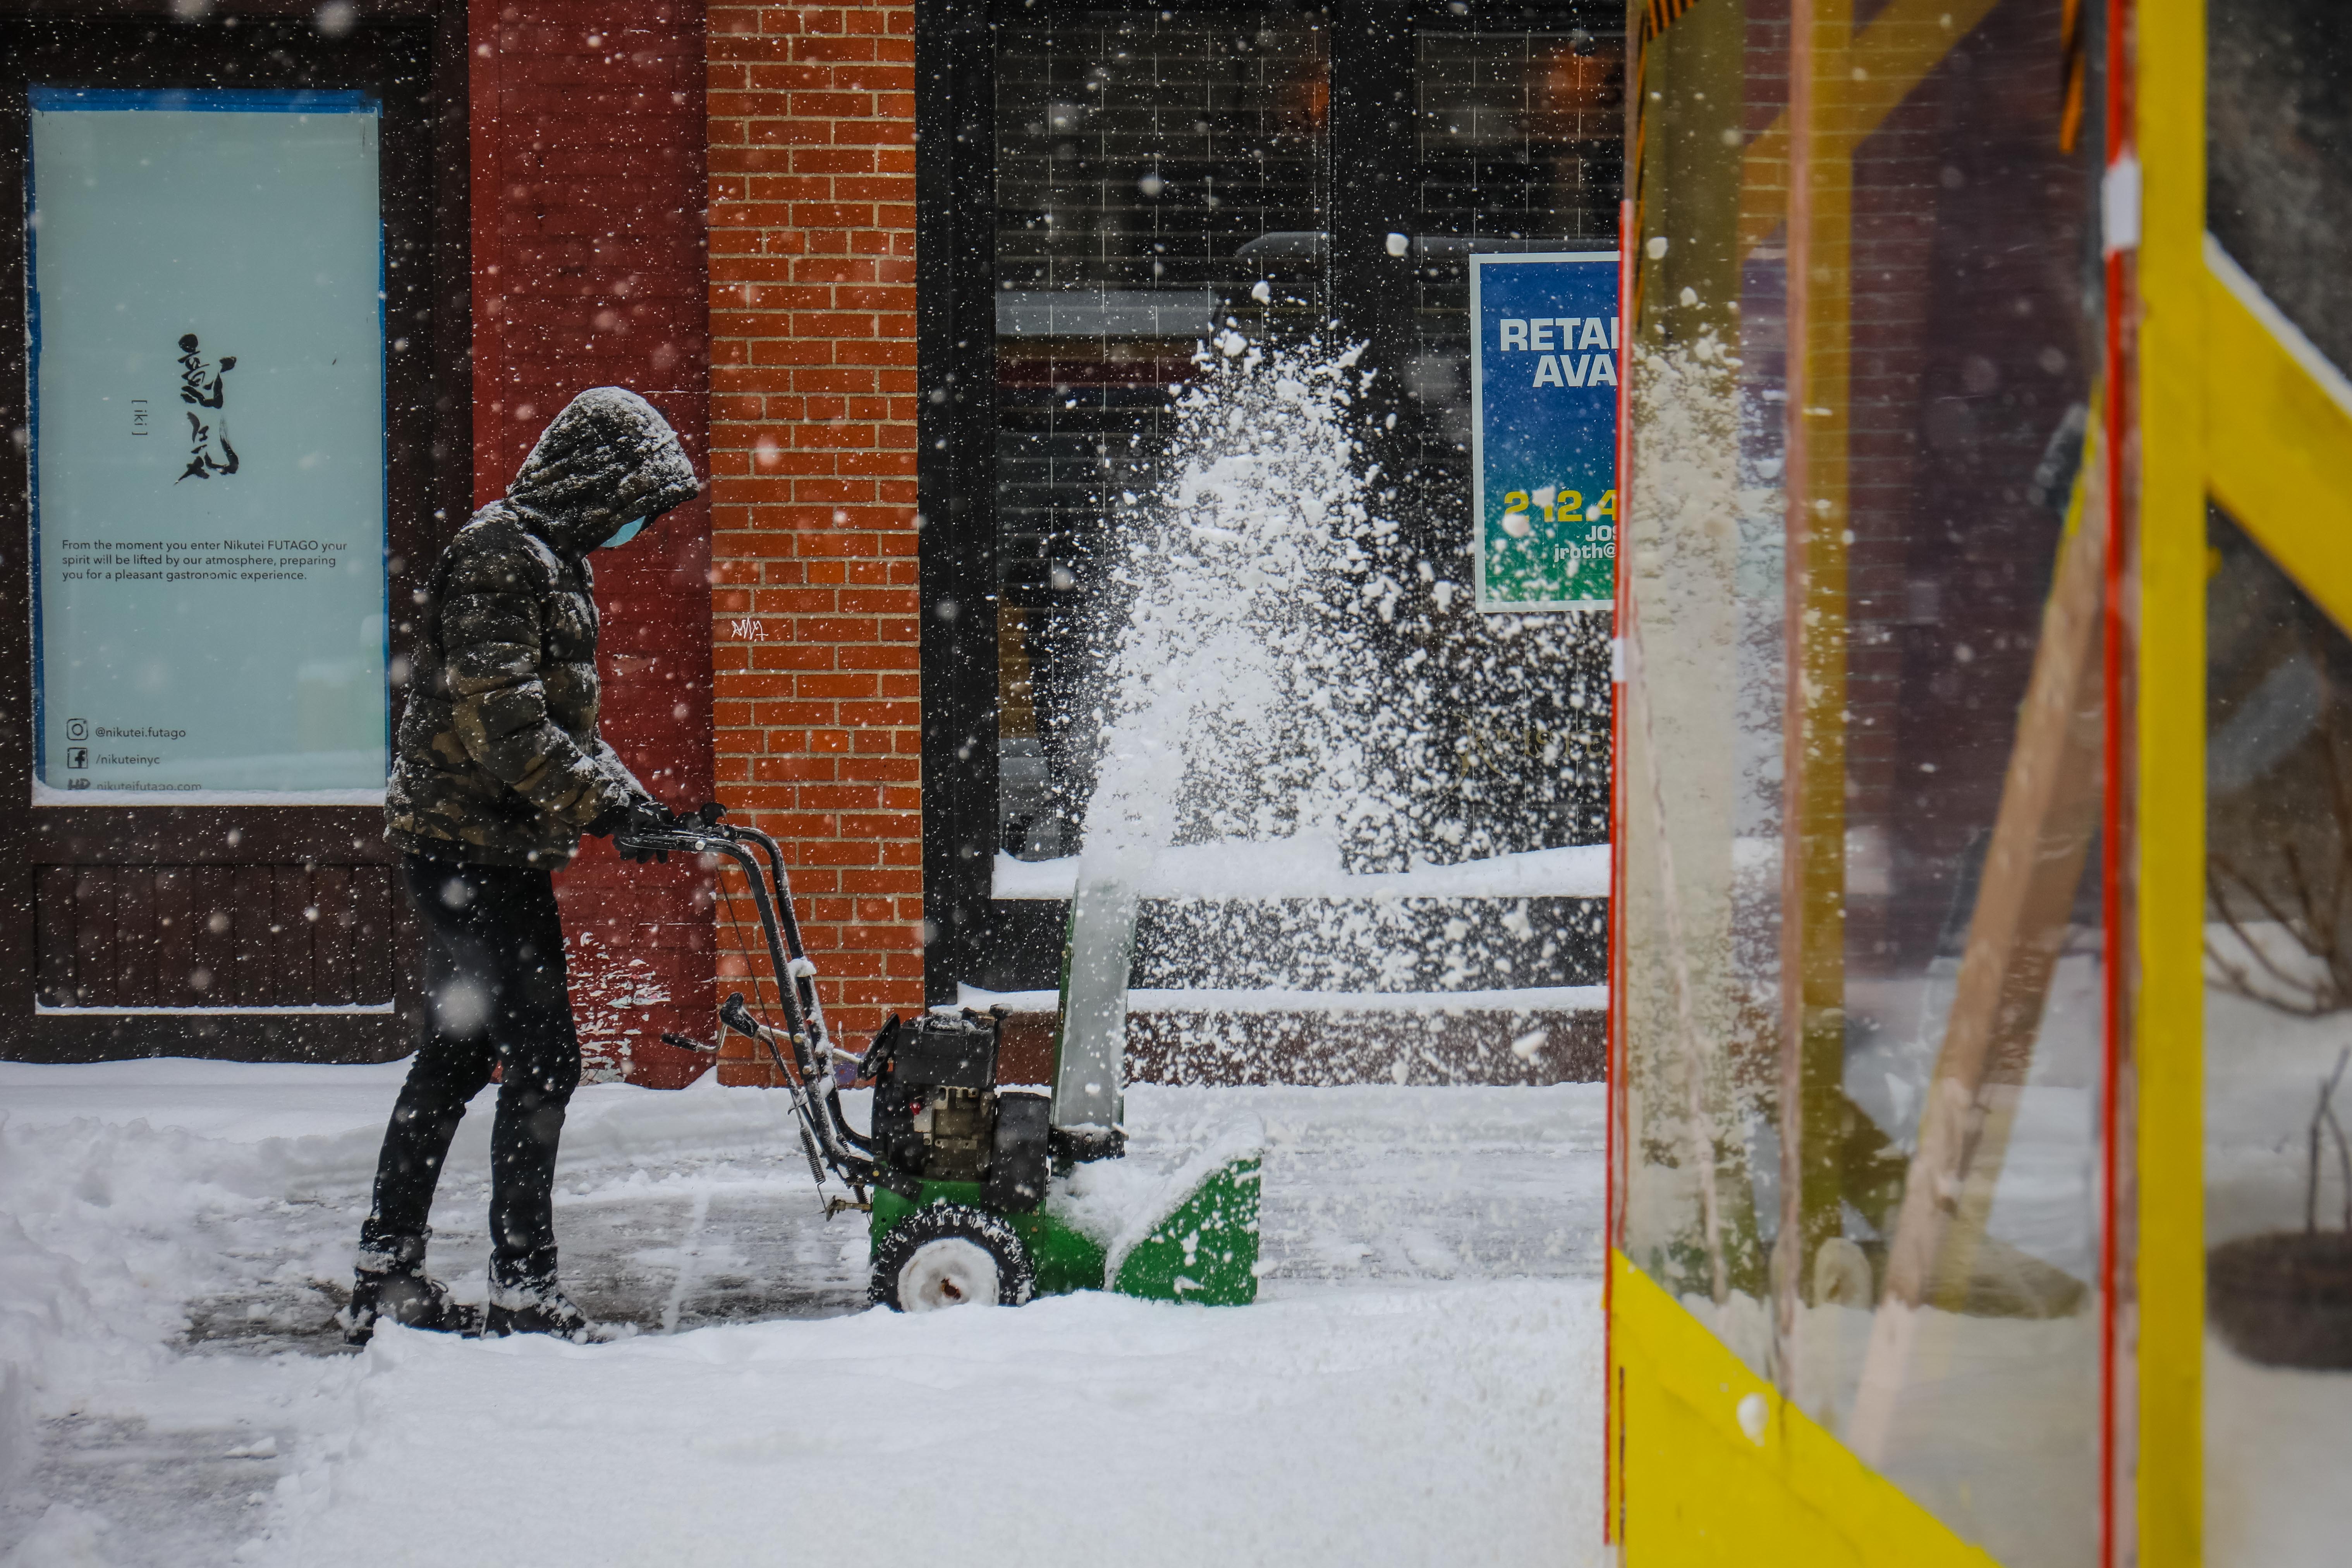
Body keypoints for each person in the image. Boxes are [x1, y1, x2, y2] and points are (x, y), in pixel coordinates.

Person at [344, 387, 700, 1345]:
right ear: (593, 481)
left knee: (460, 1053)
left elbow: (565, 725)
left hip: (482, 848)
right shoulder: (502, 557)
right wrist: (598, 805)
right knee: (543, 1060)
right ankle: (524, 1291)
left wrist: (640, 805)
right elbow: (501, 719)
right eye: (636, 502)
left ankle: (388, 1272)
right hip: (469, 850)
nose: (640, 525)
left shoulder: (551, 558)